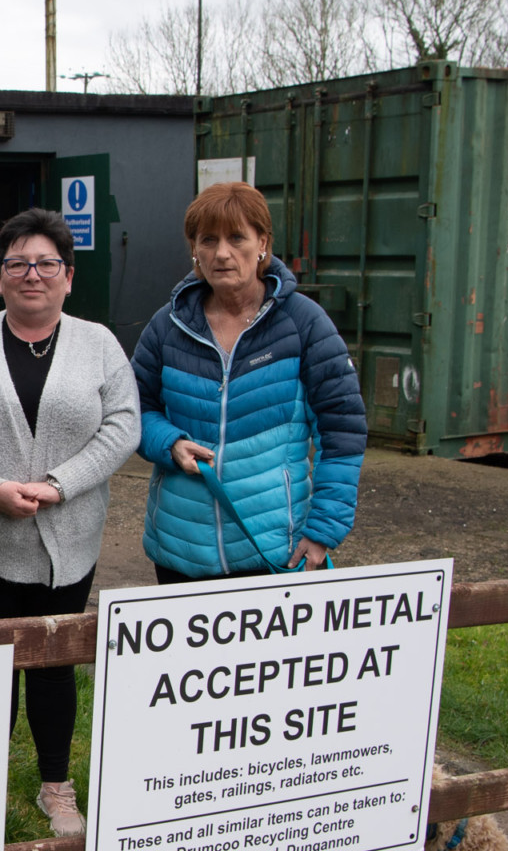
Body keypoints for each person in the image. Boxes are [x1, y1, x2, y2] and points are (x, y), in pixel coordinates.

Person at [0, 208, 139, 838]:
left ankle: (56, 786)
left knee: (53, 662)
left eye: (47, 263)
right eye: (17, 262)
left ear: (69, 277)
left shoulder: (99, 345)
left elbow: (123, 424)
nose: (32, 274)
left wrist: (59, 485)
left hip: (66, 543)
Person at [130, 181, 365, 583]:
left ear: (263, 244)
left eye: (237, 237)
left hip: (274, 551)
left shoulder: (304, 324)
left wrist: (323, 530)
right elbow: (133, 410)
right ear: (194, 250)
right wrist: (168, 443)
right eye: (208, 240)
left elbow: (342, 430)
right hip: (179, 549)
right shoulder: (166, 326)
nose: (222, 253)